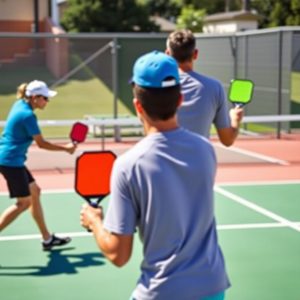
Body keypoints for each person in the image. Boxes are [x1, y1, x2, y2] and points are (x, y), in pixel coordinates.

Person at [80, 51, 230, 300]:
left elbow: (118, 254)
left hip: (162, 291)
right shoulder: (206, 150)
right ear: (180, 99)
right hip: (213, 288)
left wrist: (94, 221)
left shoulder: (128, 165)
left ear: (138, 105)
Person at [0, 80, 76, 251]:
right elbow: (41, 144)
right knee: (23, 203)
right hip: (10, 161)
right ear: (34, 98)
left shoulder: (19, 103)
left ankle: (47, 239)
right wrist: (66, 149)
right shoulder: (28, 116)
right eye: (45, 98)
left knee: (35, 191)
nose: (47, 101)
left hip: (11, 158)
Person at [166, 29, 243, 146]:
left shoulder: (157, 87)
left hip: (165, 162)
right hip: (201, 162)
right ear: (195, 54)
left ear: (167, 54)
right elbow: (227, 140)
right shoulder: (215, 87)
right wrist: (235, 120)